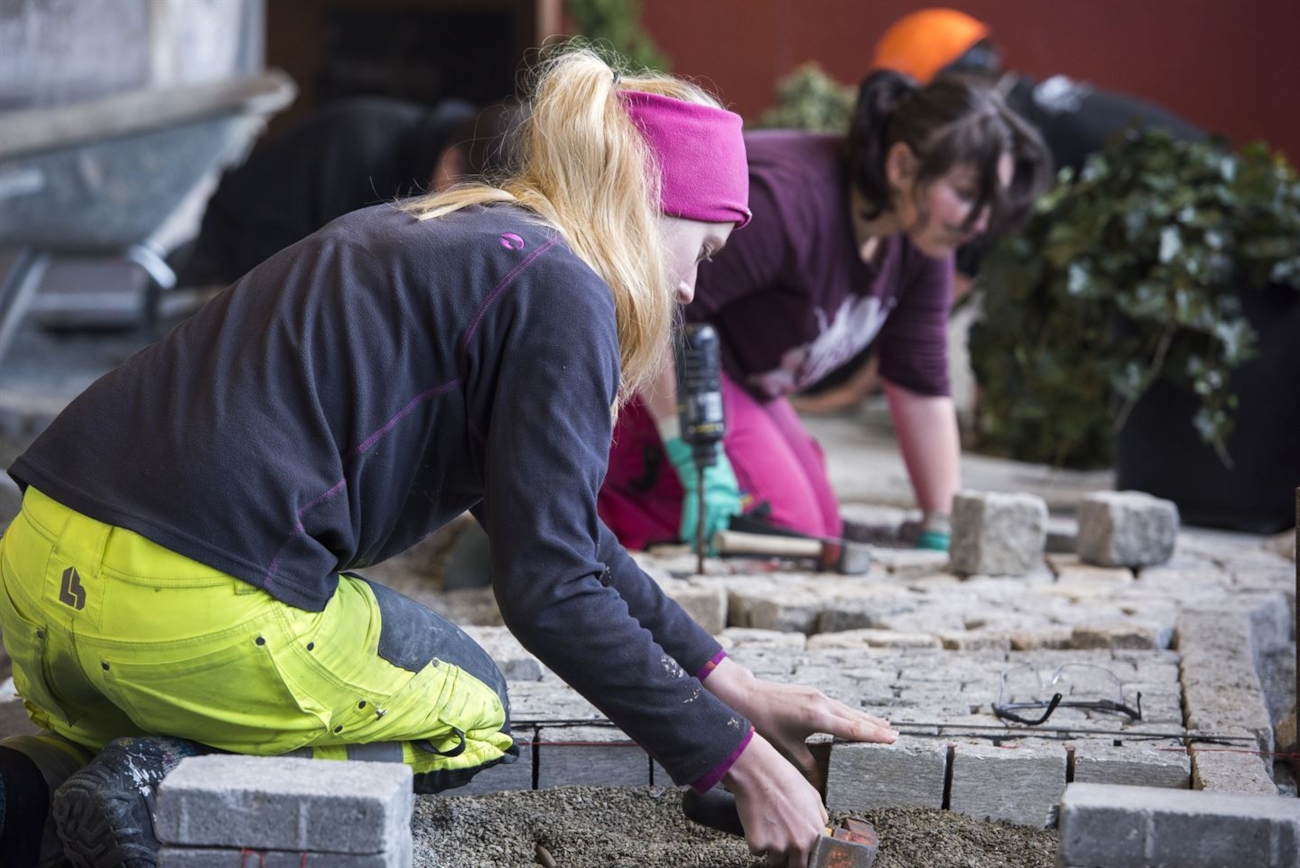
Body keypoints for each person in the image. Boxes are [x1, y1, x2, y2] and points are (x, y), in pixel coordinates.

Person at [0, 47, 898, 868]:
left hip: (37, 575)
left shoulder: (453, 232)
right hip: (193, 611)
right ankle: (160, 784)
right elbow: (552, 591)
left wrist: (731, 686)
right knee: (469, 707)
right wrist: (739, 764)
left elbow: (566, 539)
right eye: (701, 249)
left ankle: (37, 782)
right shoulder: (566, 292)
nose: (691, 287)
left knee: (155, 688)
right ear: (644, 207)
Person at [599, 70, 1051, 554]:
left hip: (739, 378)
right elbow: (654, 312)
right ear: (901, 166)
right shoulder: (785, 202)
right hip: (648, 368)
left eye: (990, 204)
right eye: (966, 194)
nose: (979, 223)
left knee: (822, 530)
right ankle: (589, 515)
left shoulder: (922, 240)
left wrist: (943, 525)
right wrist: (690, 453)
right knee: (785, 528)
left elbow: (919, 381)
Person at [798, 6, 1207, 413]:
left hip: (1194, 216)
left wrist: (850, 391)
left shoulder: (994, 146)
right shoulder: (1022, 109)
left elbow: (931, 308)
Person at [175, 96, 525, 287]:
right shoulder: (358, 147)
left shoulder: (432, 162)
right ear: (450, 170)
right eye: (470, 209)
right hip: (218, 267)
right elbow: (267, 279)